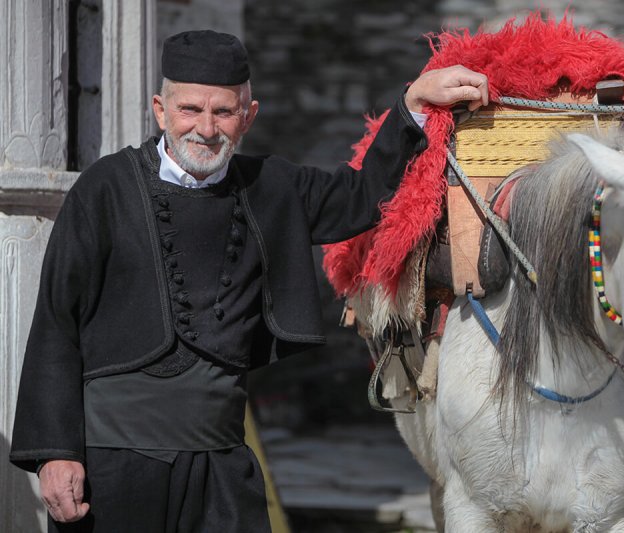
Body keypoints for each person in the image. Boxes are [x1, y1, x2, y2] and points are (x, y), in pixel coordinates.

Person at [9, 29, 488, 532]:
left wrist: (412, 103)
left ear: (248, 116)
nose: (206, 128)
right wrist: (55, 453)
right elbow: (56, 321)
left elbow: (360, 196)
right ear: (161, 110)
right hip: (114, 470)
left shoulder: (272, 187)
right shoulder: (103, 189)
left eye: (224, 112)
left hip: (222, 469)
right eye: (191, 109)